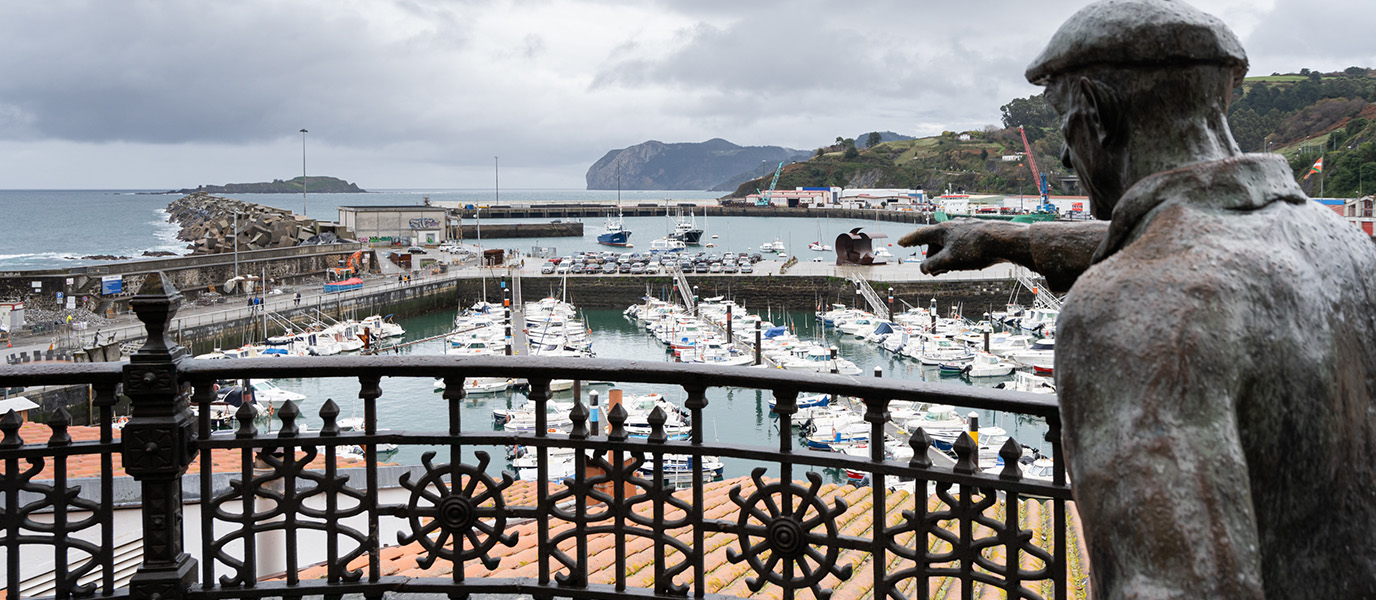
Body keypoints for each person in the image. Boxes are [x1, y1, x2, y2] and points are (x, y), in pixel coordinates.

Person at [898, 1, 1376, 597]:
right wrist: (1011, 240)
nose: (1068, 159)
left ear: (1097, 113)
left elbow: (1168, 584)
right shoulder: (1346, 249)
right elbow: (1188, 236)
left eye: (1064, 126)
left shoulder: (1128, 308)